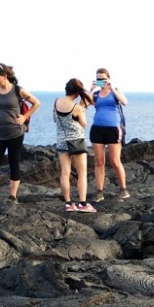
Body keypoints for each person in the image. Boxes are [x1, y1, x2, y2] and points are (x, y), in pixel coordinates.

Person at [0, 63, 38, 204]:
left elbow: (36, 103)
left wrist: (24, 117)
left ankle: (13, 195)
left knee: (14, 162)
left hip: (15, 132)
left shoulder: (18, 90)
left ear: (4, 76)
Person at [54, 78, 95, 212]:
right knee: (82, 172)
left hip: (61, 141)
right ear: (77, 93)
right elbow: (84, 123)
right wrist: (81, 111)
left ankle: (68, 204)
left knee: (65, 173)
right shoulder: (76, 107)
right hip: (76, 141)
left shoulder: (56, 102)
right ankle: (83, 204)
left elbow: (55, 119)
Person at [89, 68, 129, 201]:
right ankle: (99, 192)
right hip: (97, 129)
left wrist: (112, 89)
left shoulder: (115, 91)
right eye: (98, 78)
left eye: (103, 78)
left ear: (109, 78)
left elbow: (124, 102)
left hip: (113, 129)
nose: (101, 81)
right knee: (99, 162)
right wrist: (91, 89)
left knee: (115, 161)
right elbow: (86, 103)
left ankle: (123, 189)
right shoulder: (95, 94)